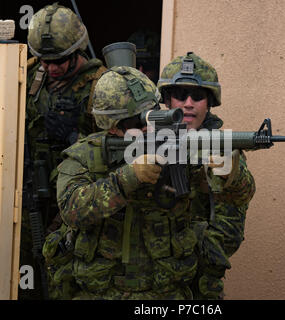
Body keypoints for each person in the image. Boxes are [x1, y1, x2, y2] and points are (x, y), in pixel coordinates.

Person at [45, 65, 254, 300]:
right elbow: (72, 210)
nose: (148, 126)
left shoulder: (178, 145)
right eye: (137, 121)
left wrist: (231, 175)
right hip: (99, 291)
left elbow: (239, 197)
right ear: (113, 127)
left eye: (153, 115)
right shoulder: (86, 155)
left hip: (165, 291)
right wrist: (129, 177)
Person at [20, 3, 106, 300]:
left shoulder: (100, 86)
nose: (51, 68)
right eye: (45, 60)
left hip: (74, 201)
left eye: (60, 60)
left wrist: (75, 136)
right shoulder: (29, 73)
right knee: (25, 274)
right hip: (30, 193)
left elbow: (116, 150)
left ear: (78, 52)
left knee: (66, 280)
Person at [157, 51, 256, 299]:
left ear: (209, 103)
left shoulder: (219, 143)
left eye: (198, 96)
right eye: (180, 95)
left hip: (198, 273)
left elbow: (243, 193)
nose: (188, 103)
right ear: (167, 100)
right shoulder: (146, 137)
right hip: (149, 272)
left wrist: (228, 171)